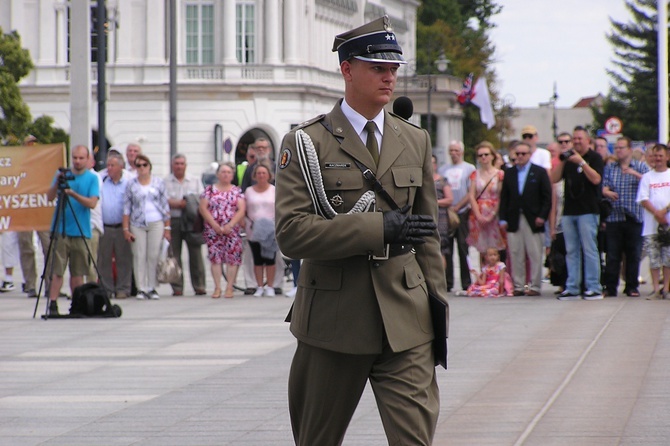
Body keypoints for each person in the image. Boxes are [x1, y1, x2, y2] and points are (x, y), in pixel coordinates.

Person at [274, 16, 448, 445]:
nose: (389, 77)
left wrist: (437, 308)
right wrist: (377, 229)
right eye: (377, 67)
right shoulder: (306, 143)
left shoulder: (414, 139)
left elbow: (427, 237)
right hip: (334, 321)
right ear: (347, 69)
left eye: (393, 68)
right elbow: (292, 233)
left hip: (406, 321)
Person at [45, 145, 100, 315]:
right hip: (61, 229)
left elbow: (92, 203)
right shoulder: (63, 174)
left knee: (78, 272)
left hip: (81, 230)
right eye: (75, 158)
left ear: (87, 159)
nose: (77, 161)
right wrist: (58, 183)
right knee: (57, 271)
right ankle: (52, 304)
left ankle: (76, 303)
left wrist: (72, 194)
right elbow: (49, 197)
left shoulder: (92, 178)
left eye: (81, 158)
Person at [552, 126, 605, 300]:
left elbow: (596, 179)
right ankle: (572, 287)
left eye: (579, 139)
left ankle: (594, 287)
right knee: (571, 250)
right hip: (569, 211)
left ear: (587, 140)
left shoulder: (594, 158)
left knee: (590, 249)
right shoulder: (568, 160)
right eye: (574, 139)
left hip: (588, 211)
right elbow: (553, 178)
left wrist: (581, 162)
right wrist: (563, 160)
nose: (576, 142)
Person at [499, 142, 552, 296]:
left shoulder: (539, 172)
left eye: (524, 154)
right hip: (514, 218)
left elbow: (547, 197)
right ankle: (519, 286)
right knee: (516, 253)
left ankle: (535, 286)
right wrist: (503, 218)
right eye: (518, 154)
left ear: (529, 155)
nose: (520, 157)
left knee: (535, 253)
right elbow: (505, 198)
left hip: (533, 218)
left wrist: (542, 216)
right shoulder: (510, 173)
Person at [601, 136, 649, 297]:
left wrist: (634, 174)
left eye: (622, 148)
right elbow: (604, 186)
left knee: (633, 254)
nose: (619, 151)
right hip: (615, 216)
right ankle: (610, 286)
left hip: (634, 216)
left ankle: (631, 286)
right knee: (613, 255)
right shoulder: (610, 168)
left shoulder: (641, 167)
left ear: (629, 149)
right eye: (617, 148)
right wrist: (607, 192)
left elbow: (649, 183)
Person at [122, 154, 171, 300]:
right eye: (139, 165)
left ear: (149, 166)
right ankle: (141, 287)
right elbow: (126, 208)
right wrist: (125, 228)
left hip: (156, 222)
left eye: (145, 165)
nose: (142, 168)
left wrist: (168, 228)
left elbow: (165, 205)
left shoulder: (158, 182)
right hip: (137, 223)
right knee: (139, 254)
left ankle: (152, 286)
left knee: (153, 254)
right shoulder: (131, 184)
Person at [199, 162, 246, 299]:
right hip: (213, 229)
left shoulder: (237, 191)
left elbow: (241, 209)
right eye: (223, 172)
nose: (226, 174)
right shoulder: (209, 190)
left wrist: (230, 225)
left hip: (232, 229)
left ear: (232, 175)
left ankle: (229, 287)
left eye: (228, 172)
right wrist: (214, 225)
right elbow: (203, 208)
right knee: (215, 258)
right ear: (218, 174)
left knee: (232, 259)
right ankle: (217, 287)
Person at [165, 153, 206, 296]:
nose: (179, 166)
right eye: (176, 164)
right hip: (173, 220)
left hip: (191, 220)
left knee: (196, 254)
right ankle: (177, 287)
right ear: (172, 165)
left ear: (186, 165)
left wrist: (182, 203)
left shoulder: (194, 180)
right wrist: (180, 203)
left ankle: (199, 285)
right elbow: (164, 201)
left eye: (182, 164)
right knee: (174, 254)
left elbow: (201, 199)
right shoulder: (166, 181)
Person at [18, 135, 51, 297]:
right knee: (26, 247)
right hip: (23, 210)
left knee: (49, 246)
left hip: (41, 209)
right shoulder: (18, 165)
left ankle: (51, 285)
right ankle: (30, 283)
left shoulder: (43, 163)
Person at [440, 140, 475, 292]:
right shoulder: (443, 169)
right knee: (446, 248)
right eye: (451, 150)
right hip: (447, 214)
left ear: (462, 151)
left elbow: (471, 192)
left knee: (463, 247)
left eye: (456, 150)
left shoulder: (469, 168)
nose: (454, 153)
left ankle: (466, 282)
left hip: (462, 212)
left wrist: (458, 206)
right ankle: (448, 282)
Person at [637, 143, 670, 300]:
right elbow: (643, 199)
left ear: (667, 157)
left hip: (668, 225)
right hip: (651, 226)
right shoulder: (647, 177)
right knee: (654, 259)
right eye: (655, 156)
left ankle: (667, 288)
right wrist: (657, 213)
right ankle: (656, 288)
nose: (657, 159)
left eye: (660, 156)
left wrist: (664, 212)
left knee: (668, 259)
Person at [98, 151, 133, 299]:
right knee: (104, 259)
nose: (109, 168)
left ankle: (123, 288)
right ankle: (106, 288)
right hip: (105, 225)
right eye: (108, 165)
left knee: (123, 258)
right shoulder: (102, 180)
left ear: (120, 167)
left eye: (112, 165)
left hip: (121, 226)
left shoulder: (128, 183)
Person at [466, 141, 506, 265]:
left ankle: (496, 277)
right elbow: (471, 195)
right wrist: (478, 215)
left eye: (486, 154)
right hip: (478, 212)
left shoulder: (499, 174)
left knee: (495, 248)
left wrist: (492, 214)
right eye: (480, 155)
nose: (483, 157)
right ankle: (483, 277)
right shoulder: (475, 174)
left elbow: (501, 196)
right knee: (482, 249)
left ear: (492, 156)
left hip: (495, 212)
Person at [245, 162, 277, 297]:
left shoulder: (274, 190)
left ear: (269, 175)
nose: (261, 175)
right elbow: (244, 209)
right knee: (257, 258)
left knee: (271, 258)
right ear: (255, 176)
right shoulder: (249, 191)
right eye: (259, 173)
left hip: (271, 228)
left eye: (264, 173)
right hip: (254, 228)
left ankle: (270, 286)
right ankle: (259, 286)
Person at [432, 154, 454, 268]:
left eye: (432, 163)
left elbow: (450, 199)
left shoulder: (442, 180)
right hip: (427, 216)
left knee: (441, 249)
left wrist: (434, 202)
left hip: (441, 218)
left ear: (435, 165)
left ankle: (442, 279)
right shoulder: (420, 179)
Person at [86, 153, 104, 284]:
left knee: (91, 261)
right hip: (76, 226)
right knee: (78, 262)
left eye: (85, 159)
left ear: (92, 163)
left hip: (91, 224)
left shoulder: (95, 177)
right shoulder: (73, 176)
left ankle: (91, 287)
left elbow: (92, 202)